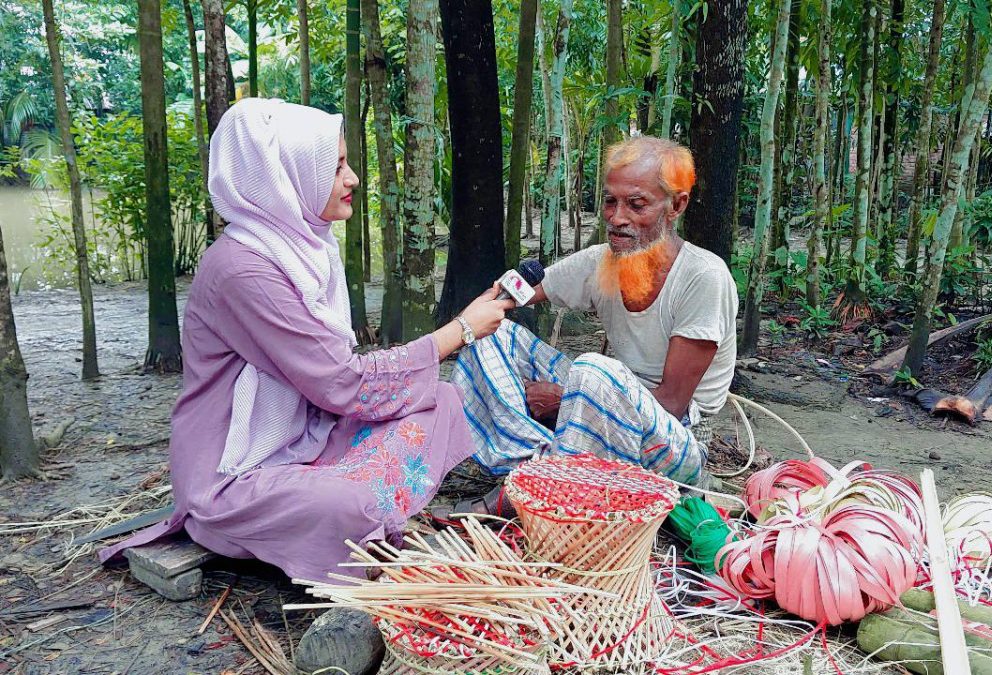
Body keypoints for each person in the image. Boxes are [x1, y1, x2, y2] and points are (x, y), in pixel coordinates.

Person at [100, 98, 514, 580]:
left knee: (439, 399)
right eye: (337, 166)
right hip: (238, 475)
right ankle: (352, 511)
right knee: (349, 503)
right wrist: (459, 331)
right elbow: (342, 382)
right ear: (286, 175)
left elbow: (335, 375)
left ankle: (358, 503)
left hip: (309, 434)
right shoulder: (244, 270)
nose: (353, 177)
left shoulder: (305, 247)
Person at [449, 136, 738, 494]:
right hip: (604, 407)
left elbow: (671, 406)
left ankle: (537, 481)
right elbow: (501, 304)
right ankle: (537, 463)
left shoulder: (704, 277)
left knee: (592, 371)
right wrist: (496, 298)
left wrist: (564, 399)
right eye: (610, 202)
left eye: (636, 204)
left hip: (676, 438)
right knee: (487, 334)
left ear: (676, 206)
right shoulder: (599, 261)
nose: (617, 218)